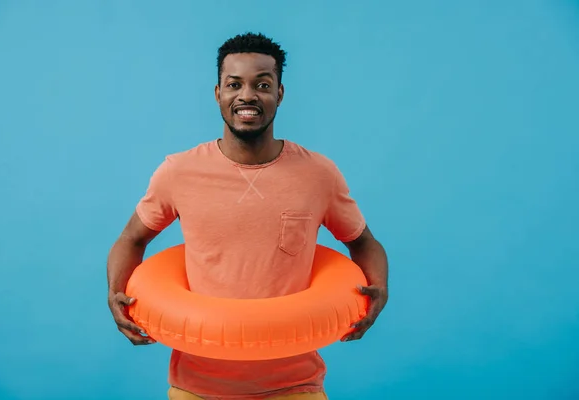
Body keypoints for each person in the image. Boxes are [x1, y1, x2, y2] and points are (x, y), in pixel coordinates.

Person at [107, 32, 389, 400]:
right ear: (217, 93)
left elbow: (364, 243)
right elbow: (132, 238)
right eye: (234, 84)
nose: (247, 95)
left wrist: (379, 289)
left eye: (263, 84)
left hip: (295, 386)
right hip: (196, 387)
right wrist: (115, 292)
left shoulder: (319, 174)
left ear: (280, 94)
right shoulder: (179, 172)